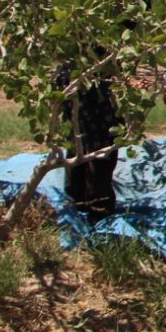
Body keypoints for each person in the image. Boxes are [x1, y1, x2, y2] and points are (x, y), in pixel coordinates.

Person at [55, 55, 121, 222]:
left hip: (74, 76)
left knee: (77, 135)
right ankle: (97, 210)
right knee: (98, 144)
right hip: (93, 79)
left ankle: (77, 204)